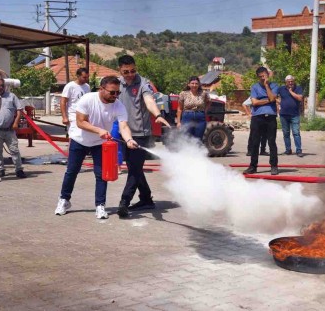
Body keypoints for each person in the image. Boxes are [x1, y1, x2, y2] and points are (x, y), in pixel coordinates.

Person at [54, 76, 138, 218]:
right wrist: (99, 130)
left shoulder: (118, 105)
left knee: (101, 175)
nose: (115, 96)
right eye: (112, 92)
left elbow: (123, 126)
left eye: (118, 93)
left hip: (99, 144)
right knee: (72, 171)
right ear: (101, 89)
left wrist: (129, 139)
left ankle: (100, 205)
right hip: (79, 139)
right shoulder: (87, 99)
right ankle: (64, 200)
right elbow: (81, 122)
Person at [115, 55, 170, 218]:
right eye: (126, 71)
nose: (130, 74)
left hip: (140, 134)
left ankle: (124, 202)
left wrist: (157, 114)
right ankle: (146, 199)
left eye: (133, 70)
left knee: (134, 171)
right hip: (124, 134)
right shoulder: (118, 83)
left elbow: (149, 100)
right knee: (135, 168)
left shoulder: (143, 83)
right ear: (120, 70)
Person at [243, 67, 279, 175]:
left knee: (271, 142)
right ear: (257, 77)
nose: (263, 78)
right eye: (260, 77)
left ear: (268, 75)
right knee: (255, 142)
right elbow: (254, 102)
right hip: (257, 117)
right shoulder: (254, 87)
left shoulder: (275, 86)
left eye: (264, 76)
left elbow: (273, 98)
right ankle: (253, 166)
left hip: (271, 117)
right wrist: (268, 100)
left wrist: (267, 86)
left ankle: (274, 166)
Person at [0, 77, 27, 179]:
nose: (1, 87)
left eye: (2, 85)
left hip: (9, 130)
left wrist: (16, 122)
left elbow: (20, 110)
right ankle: (0, 169)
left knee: (14, 150)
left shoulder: (11, 96)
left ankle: (19, 169)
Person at [176, 76, 211, 141]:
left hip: (200, 118)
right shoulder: (183, 94)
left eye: (196, 83)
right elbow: (179, 109)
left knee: (198, 139)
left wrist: (205, 111)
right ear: (188, 84)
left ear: (199, 85)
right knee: (186, 138)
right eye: (192, 83)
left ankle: (196, 151)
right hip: (187, 117)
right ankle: (187, 151)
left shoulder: (203, 93)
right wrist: (178, 122)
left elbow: (209, 102)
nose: (194, 85)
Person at [277, 75, 304, 157]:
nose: (290, 83)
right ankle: (288, 150)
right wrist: (279, 102)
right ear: (286, 82)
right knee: (286, 133)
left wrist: (291, 92)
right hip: (284, 115)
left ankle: (298, 150)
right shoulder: (281, 89)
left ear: (294, 81)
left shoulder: (298, 88)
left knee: (296, 133)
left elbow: (300, 98)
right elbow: (273, 96)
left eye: (292, 81)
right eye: (288, 82)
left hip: (294, 115)